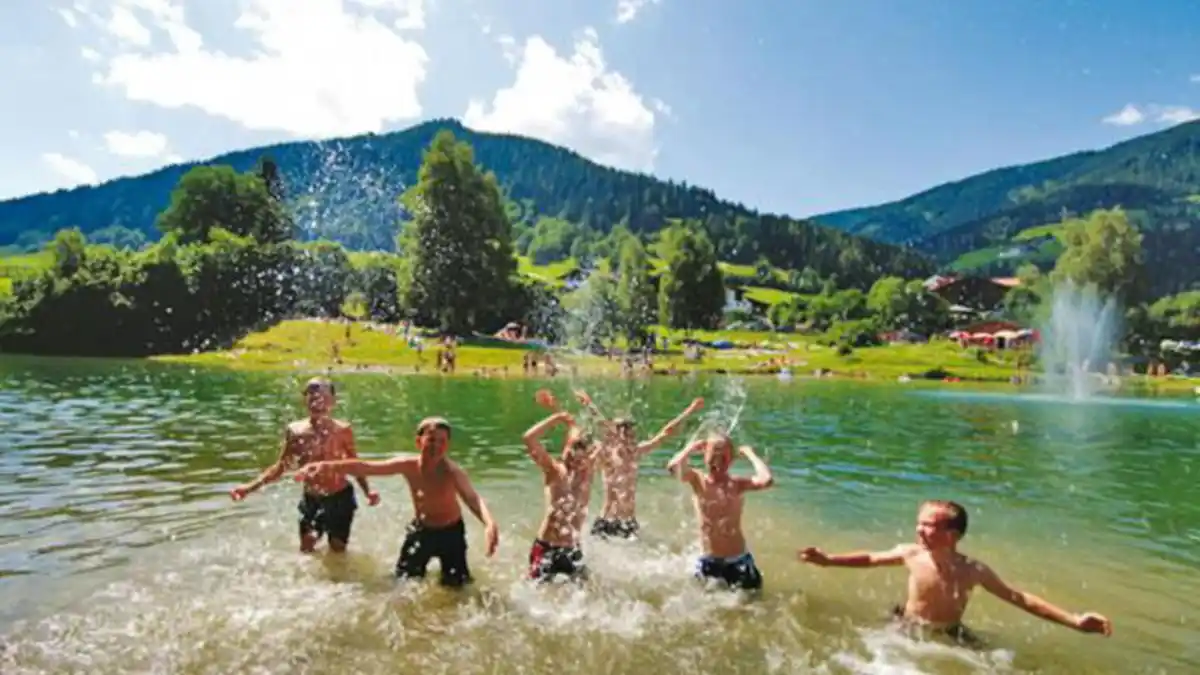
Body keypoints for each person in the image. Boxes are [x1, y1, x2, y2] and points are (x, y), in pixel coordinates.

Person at [798, 500, 1113, 643]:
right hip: (908, 625)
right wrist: (828, 559)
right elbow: (870, 558)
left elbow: (1020, 598)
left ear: (953, 534)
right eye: (918, 522)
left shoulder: (973, 570)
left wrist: (1074, 620)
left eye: (928, 525)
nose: (919, 529)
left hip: (951, 632)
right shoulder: (911, 554)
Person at [294, 417, 499, 588]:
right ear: (419, 442)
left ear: (448, 444)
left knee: (456, 587)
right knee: (402, 582)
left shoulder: (452, 471)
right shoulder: (408, 465)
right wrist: (326, 466)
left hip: (450, 534)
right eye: (431, 440)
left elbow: (472, 498)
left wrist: (489, 523)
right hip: (421, 531)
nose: (436, 445)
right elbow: (367, 467)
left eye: (442, 441)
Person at [230, 377, 379, 553]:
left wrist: (367, 491)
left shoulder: (343, 430)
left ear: (333, 401)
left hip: (340, 498)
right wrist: (248, 488)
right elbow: (281, 467)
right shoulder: (295, 431)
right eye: (312, 397)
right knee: (306, 547)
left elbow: (354, 463)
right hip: (312, 498)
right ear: (305, 401)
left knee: (337, 549)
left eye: (322, 398)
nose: (317, 403)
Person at [569, 392, 704, 539]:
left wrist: (690, 410)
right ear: (616, 436)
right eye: (625, 433)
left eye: (631, 433)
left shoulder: (636, 452)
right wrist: (589, 405)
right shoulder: (607, 456)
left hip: (629, 523)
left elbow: (666, 433)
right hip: (608, 521)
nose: (630, 436)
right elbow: (600, 425)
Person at [666, 432, 774, 591]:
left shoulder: (736, 484)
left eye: (723, 456)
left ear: (731, 460)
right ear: (704, 455)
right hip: (708, 561)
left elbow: (766, 480)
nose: (718, 460)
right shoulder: (697, 480)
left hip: (738, 561)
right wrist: (691, 447)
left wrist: (751, 454)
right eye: (714, 454)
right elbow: (673, 467)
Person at [521, 407, 604, 583]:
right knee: (533, 594)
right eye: (571, 453)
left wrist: (593, 411)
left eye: (580, 457)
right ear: (565, 449)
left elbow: (606, 439)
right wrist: (556, 418)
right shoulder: (554, 471)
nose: (575, 460)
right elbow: (529, 438)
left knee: (587, 597)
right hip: (547, 548)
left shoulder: (588, 473)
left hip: (572, 549)